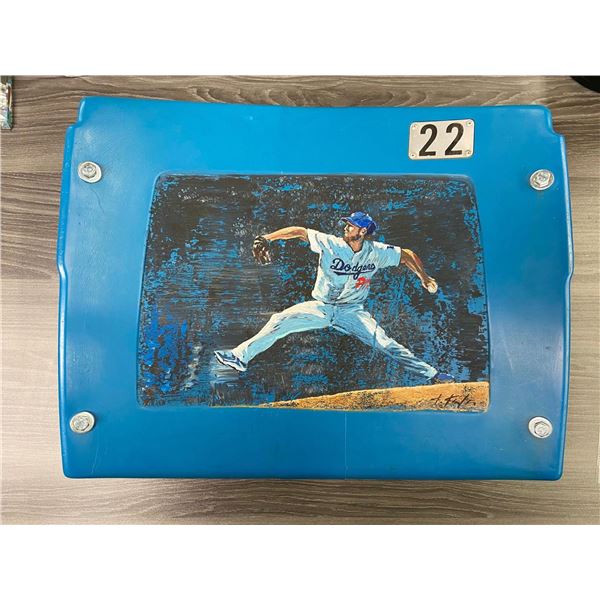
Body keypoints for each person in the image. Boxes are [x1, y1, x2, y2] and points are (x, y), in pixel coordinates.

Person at [215, 211, 453, 383]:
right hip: (322, 307)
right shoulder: (330, 243)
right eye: (347, 224)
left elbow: (407, 255)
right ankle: (239, 357)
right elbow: (299, 231)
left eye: (351, 225)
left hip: (352, 311)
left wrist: (424, 277)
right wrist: (267, 238)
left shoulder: (377, 252)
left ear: (363, 231)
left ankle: (433, 375)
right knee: (279, 320)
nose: (346, 227)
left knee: (385, 343)